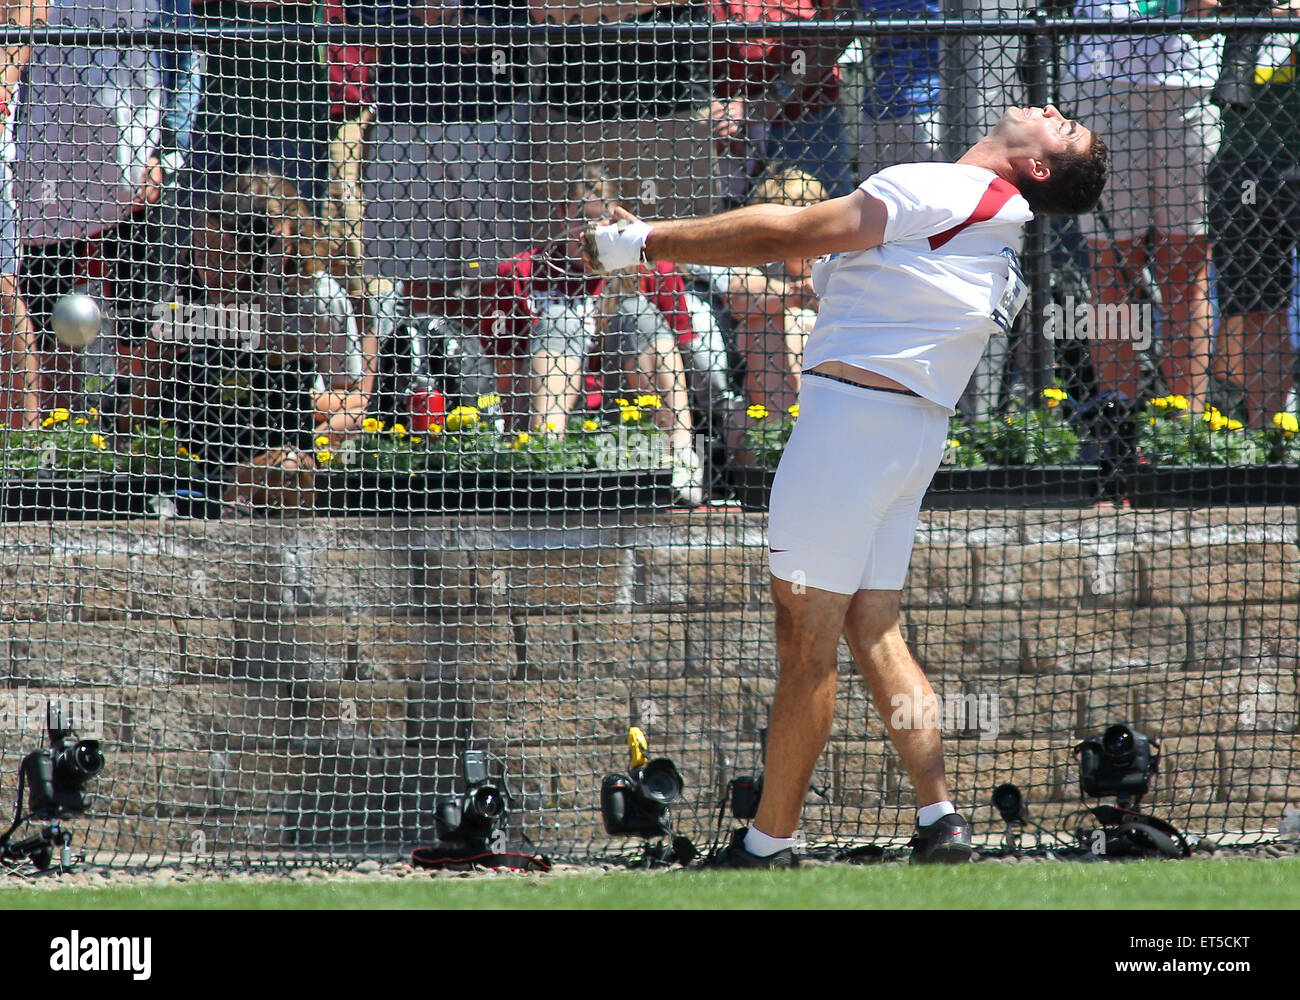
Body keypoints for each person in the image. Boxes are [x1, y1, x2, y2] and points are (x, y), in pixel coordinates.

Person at [587, 104, 1107, 865]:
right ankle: (940, 820)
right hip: (903, 438)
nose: (1054, 112)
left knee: (806, 647)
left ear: (1035, 165)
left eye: (1064, 132)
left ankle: (768, 843)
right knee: (874, 629)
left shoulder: (944, 187)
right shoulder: (992, 222)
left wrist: (643, 242)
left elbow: (787, 234)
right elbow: (827, 279)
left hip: (850, 433)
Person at [6, 0, 200, 428]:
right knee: (50, 325)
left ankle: (130, 455)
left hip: (132, 163)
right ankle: (49, 449)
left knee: (142, 325)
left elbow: (186, 55)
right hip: (45, 166)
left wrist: (168, 153)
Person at [485, 168, 706, 504]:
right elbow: (505, 366)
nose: (588, 234)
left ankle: (680, 456)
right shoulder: (522, 271)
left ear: (615, 219)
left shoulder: (653, 268)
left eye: (599, 222)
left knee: (638, 315)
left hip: (631, 421)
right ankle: (546, 458)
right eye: (580, 221)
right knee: (559, 318)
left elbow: (681, 353)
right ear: (562, 215)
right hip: (551, 412)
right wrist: (513, 433)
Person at [1062, 0, 1221, 413]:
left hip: (1195, 79)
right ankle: (1120, 425)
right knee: (1112, 264)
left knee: (1188, 264)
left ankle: (1188, 428)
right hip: (1101, 78)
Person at [1203, 1, 1300, 427]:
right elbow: (1199, 25)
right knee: (1259, 305)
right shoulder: (1242, 16)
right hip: (1243, 171)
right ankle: (1268, 432)